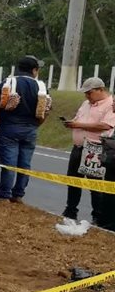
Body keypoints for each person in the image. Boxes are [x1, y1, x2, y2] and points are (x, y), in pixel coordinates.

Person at [0, 55, 50, 203]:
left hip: (9, 128)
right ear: (34, 70)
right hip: (30, 129)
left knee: (9, 164)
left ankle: (4, 195)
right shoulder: (41, 87)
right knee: (24, 164)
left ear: (18, 68)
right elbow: (45, 110)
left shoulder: (8, 83)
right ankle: (18, 194)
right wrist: (35, 126)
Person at [61, 77, 115, 226]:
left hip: (95, 148)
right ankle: (71, 210)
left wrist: (79, 125)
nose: (87, 97)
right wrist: (72, 123)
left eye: (90, 93)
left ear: (100, 90)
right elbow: (79, 118)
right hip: (78, 147)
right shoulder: (86, 103)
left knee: (94, 183)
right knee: (73, 180)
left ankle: (98, 215)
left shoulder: (111, 104)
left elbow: (105, 126)